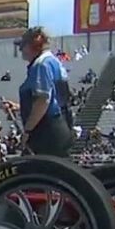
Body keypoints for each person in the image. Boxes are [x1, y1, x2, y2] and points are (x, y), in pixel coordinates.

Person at [16, 26, 74, 157]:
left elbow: (43, 100)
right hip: (61, 125)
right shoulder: (54, 61)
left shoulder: (41, 65)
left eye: (23, 46)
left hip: (47, 131)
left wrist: (28, 131)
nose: (20, 50)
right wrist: (18, 107)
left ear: (34, 45)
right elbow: (55, 100)